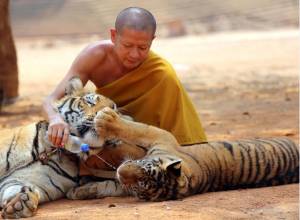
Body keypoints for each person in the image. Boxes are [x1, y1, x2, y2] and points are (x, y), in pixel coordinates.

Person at [43, 7, 207, 174]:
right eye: (127, 45)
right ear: (114, 36)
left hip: (148, 145)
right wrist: (55, 119)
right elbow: (50, 100)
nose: (134, 54)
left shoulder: (162, 74)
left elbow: (179, 136)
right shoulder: (94, 56)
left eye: (143, 47)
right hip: (107, 133)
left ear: (152, 40)